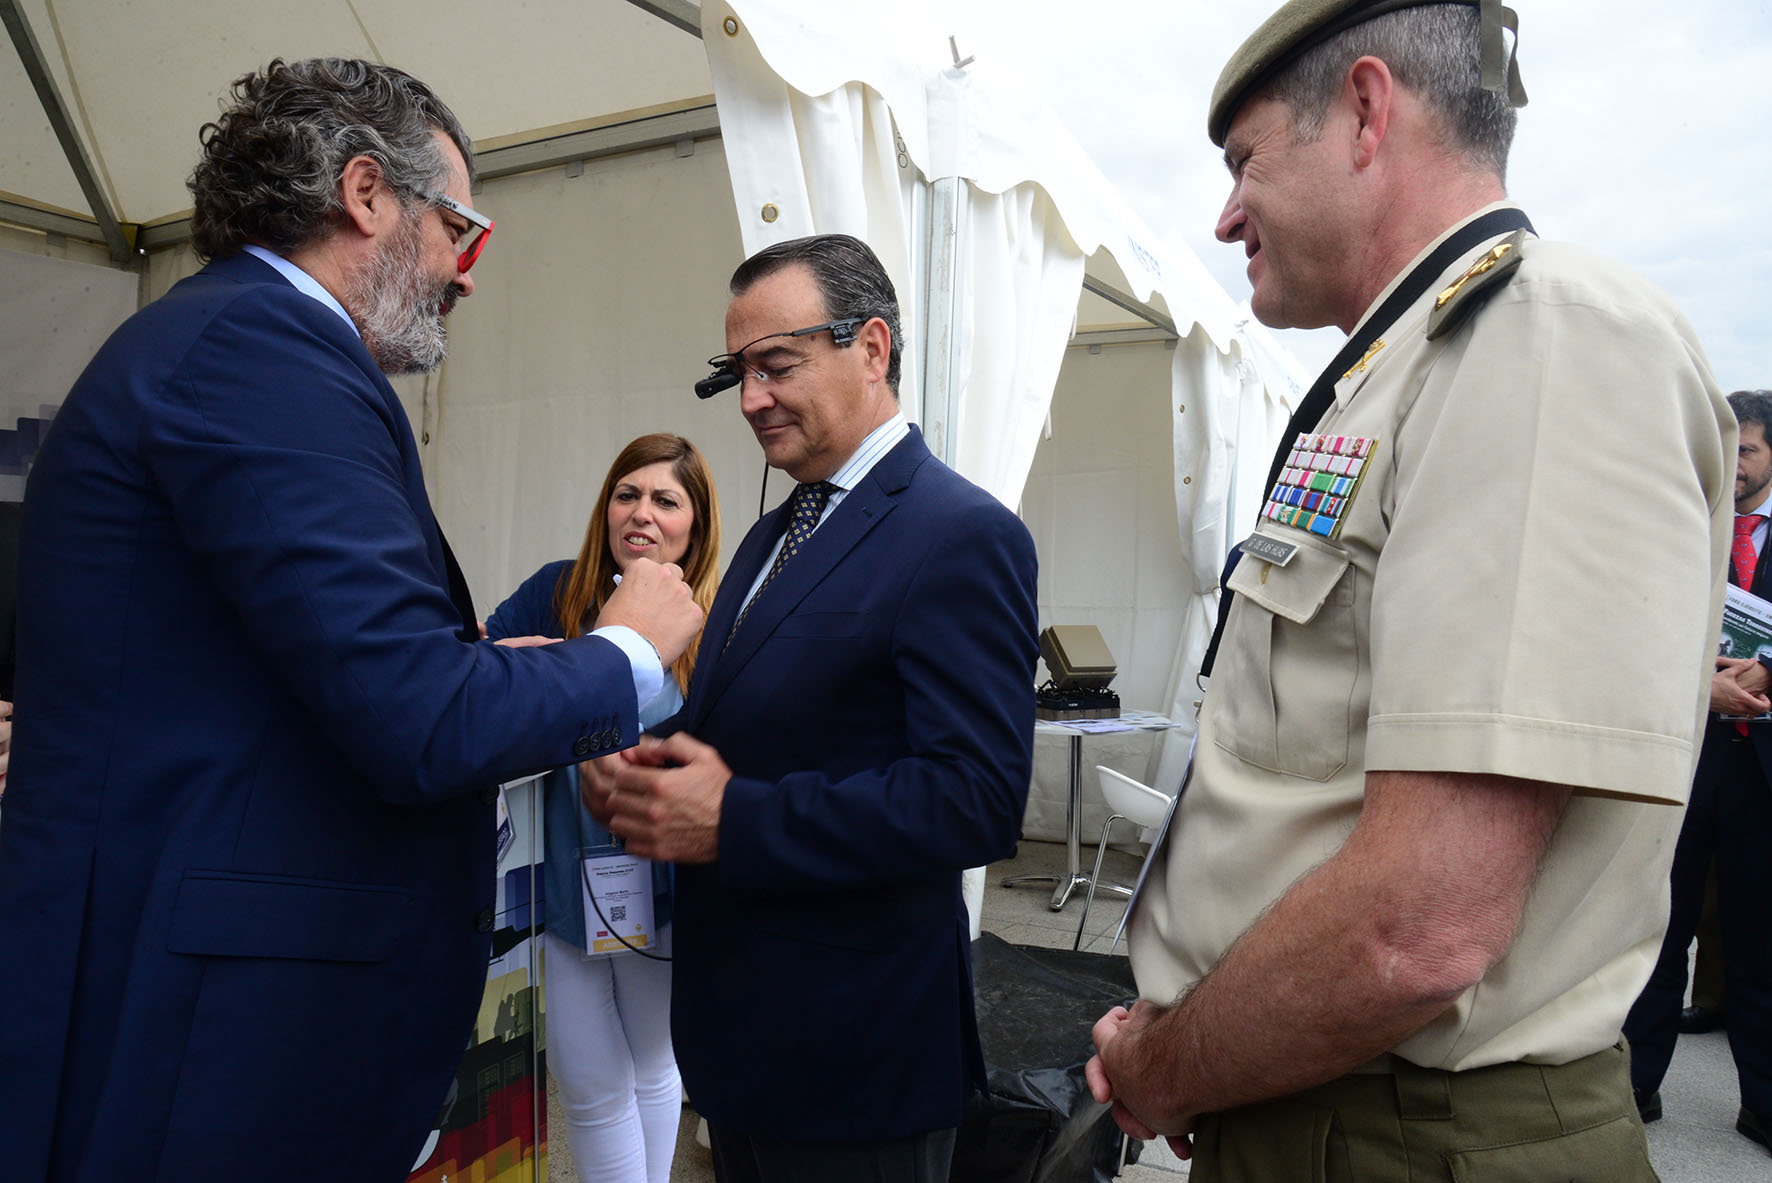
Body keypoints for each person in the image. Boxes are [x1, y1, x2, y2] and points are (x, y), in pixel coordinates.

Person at [0, 58, 702, 1182]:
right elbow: (417, 723)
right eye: (458, 232)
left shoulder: (234, 341)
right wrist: (626, 645)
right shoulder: (262, 350)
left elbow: (301, 668)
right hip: (226, 1036)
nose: (464, 278)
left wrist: (477, 664)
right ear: (367, 193)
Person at [1085, 3, 1732, 1178]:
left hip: (1412, 1134)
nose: (1225, 212)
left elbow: (1416, 929)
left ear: (1368, 112)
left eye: (1242, 161)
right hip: (1317, 1101)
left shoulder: (1539, 340)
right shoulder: (1407, 372)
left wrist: (1164, 1065)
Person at [588, 233, 1038, 1182]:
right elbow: (746, 726)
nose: (751, 399)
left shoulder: (961, 534)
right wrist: (642, 760)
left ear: (871, 348)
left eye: (776, 366)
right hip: (744, 1049)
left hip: (858, 1063)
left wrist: (732, 817)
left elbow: (976, 796)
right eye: (737, 373)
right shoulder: (765, 538)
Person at [484, 432, 721, 1183]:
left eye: (665, 498)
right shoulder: (558, 591)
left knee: (654, 1065)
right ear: (605, 507)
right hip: (560, 886)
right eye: (628, 492)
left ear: (697, 522)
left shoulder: (711, 622)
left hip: (667, 890)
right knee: (589, 1085)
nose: (642, 512)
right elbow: (481, 673)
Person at [1624, 389, 1772, 1153]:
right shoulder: (1681, 523)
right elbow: (1639, 618)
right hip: (1685, 753)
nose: (1732, 466)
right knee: (1660, 923)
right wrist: (1696, 683)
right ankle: (1634, 1082)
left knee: (1758, 938)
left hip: (1760, 771)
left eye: (1745, 451)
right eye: (1726, 450)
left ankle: (1763, 1101)